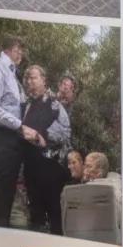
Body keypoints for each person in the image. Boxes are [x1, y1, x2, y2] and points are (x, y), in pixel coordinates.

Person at [0, 34, 38, 227]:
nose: (21, 53)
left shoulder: (12, 75)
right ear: (9, 49)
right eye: (19, 49)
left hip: (10, 147)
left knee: (5, 203)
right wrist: (19, 125)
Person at [20, 64, 70, 233]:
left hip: (51, 170)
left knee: (55, 215)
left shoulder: (54, 104)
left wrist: (42, 136)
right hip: (30, 170)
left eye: (33, 78)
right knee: (36, 217)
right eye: (27, 79)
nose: (30, 82)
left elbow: (65, 131)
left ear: (44, 80)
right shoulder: (25, 105)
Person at [82, 150, 123, 232]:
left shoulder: (90, 189)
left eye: (89, 166)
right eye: (85, 166)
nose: (85, 169)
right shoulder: (118, 183)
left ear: (99, 172)